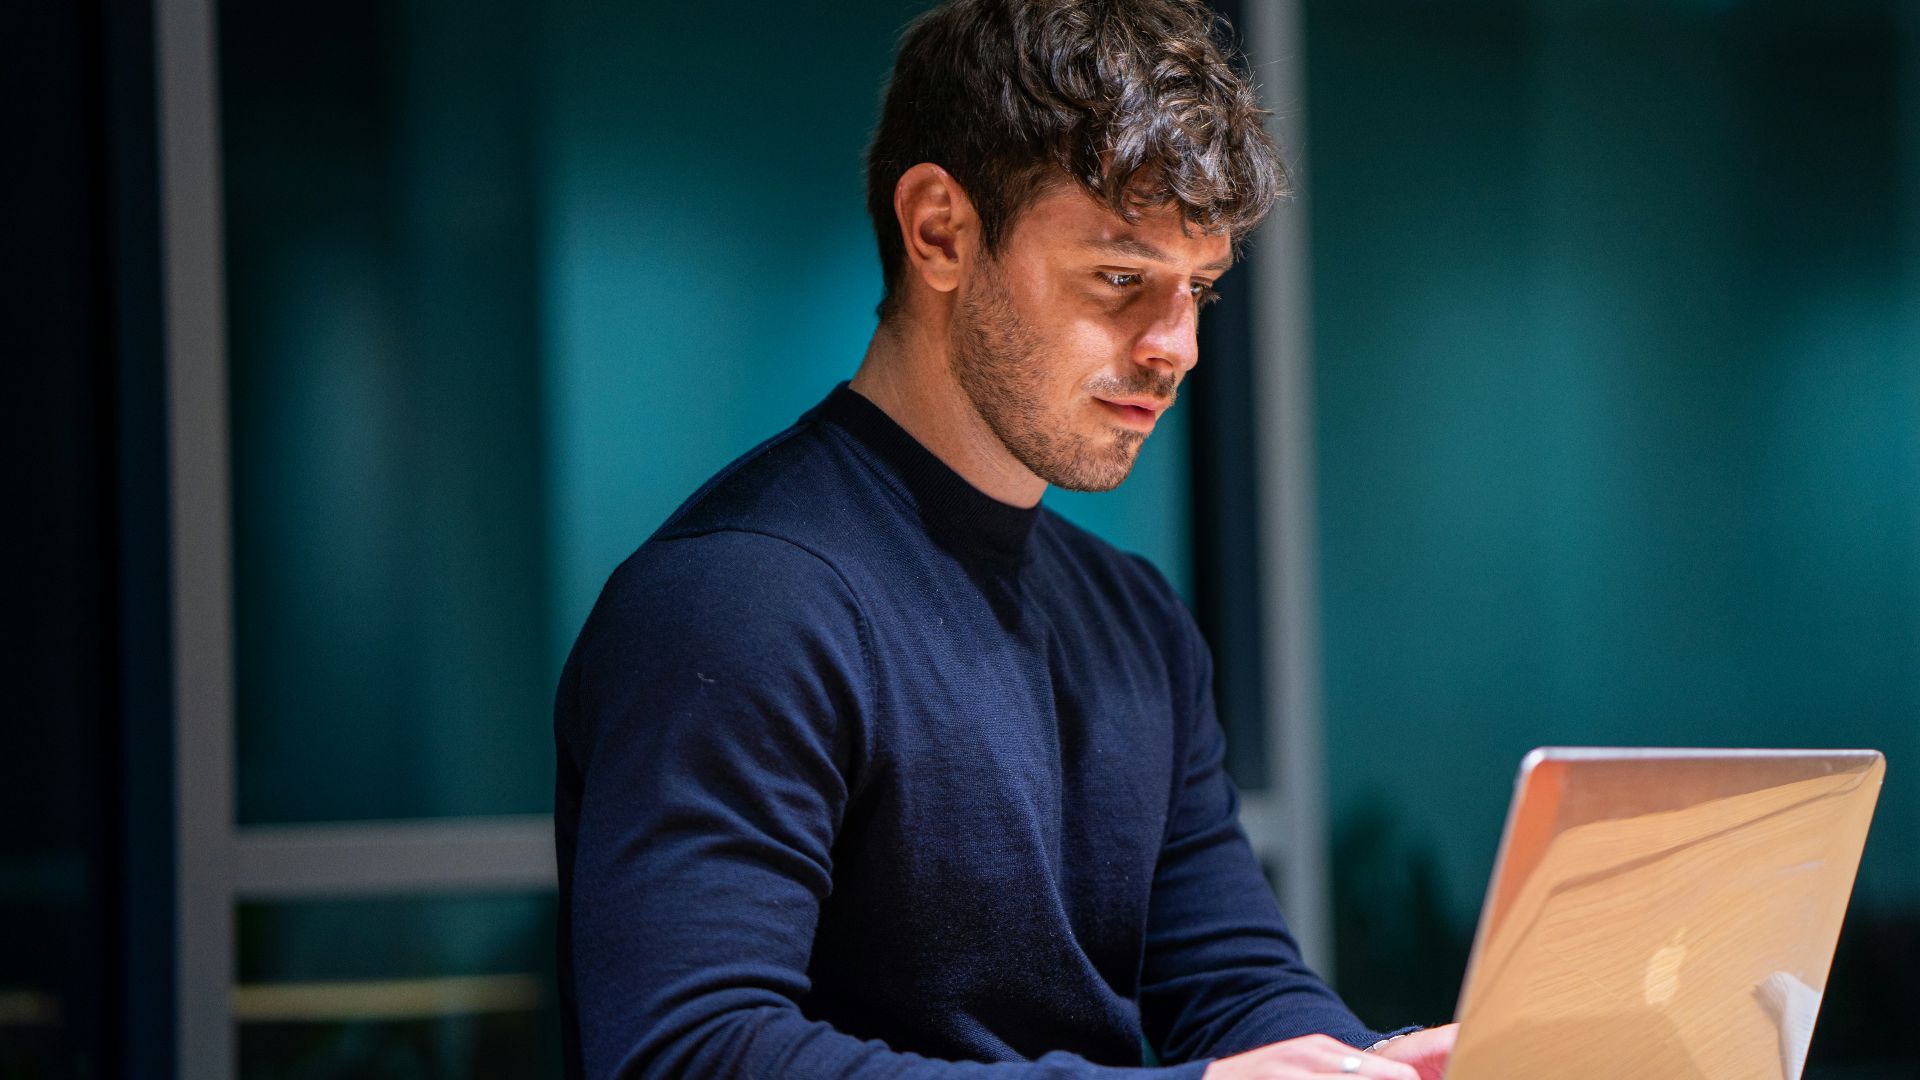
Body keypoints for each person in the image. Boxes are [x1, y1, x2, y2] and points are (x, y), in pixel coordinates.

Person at [553, 1, 1457, 1076]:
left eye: (1199, 290)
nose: (1178, 349)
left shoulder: (1134, 619)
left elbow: (1235, 988)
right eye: (1121, 280)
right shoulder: (738, 600)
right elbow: (691, 1052)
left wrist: (1380, 1067)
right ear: (940, 228)